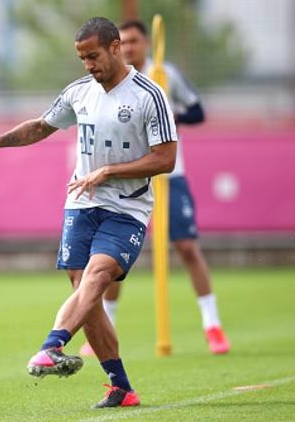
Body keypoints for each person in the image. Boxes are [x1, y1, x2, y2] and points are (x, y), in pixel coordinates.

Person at [0, 17, 178, 408]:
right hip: (81, 201)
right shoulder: (80, 92)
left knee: (97, 275)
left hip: (127, 207)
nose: (88, 65)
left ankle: (52, 345)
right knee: (84, 291)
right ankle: (121, 388)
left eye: (93, 56)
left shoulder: (149, 95)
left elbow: (165, 159)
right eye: (81, 58)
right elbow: (43, 126)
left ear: (116, 48)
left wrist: (111, 170)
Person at [80, 19, 230, 357]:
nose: (130, 47)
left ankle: (212, 324)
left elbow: (198, 111)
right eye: (124, 41)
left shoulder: (165, 76)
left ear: (146, 43)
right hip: (126, 182)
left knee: (187, 248)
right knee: (110, 259)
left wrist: (170, 115)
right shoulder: (108, 82)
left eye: (135, 41)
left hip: (169, 176)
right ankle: (105, 329)